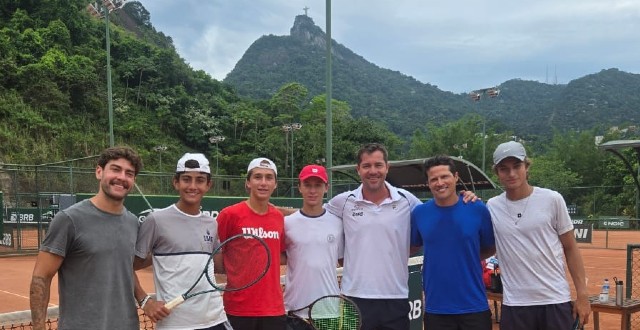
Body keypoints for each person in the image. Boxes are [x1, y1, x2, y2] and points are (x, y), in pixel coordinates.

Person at [324, 143, 477, 330]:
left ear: (387, 168)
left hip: (396, 297)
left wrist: (464, 198)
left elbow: (437, 212)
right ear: (358, 170)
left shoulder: (407, 200)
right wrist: (277, 211)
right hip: (354, 298)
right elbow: (312, 216)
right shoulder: (343, 201)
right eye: (366, 166)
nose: (373, 171)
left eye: (378, 165)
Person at [29, 146, 144, 330]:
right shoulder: (68, 220)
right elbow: (41, 277)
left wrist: (144, 299)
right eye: (115, 169)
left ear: (133, 180)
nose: (122, 177)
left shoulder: (133, 222)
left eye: (129, 173)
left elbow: (125, 268)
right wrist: (38, 328)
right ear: (99, 171)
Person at [487, 141, 591, 329]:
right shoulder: (492, 206)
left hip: (554, 300)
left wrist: (583, 296)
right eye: (504, 169)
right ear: (497, 173)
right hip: (515, 305)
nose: (511, 174)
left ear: (526, 167)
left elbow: (570, 247)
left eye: (517, 166)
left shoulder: (552, 199)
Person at [133, 153, 232, 330]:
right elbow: (128, 266)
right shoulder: (156, 220)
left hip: (215, 319)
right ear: (176, 182)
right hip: (175, 324)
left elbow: (219, 266)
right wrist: (145, 301)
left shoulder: (211, 223)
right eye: (186, 179)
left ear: (208, 185)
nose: (193, 186)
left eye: (200, 180)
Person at [410, 155, 495, 330]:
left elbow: (489, 248)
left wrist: (465, 255)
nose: (440, 183)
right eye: (434, 179)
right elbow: (412, 246)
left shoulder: (478, 209)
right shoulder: (419, 213)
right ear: (428, 183)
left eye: (444, 176)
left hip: (474, 307)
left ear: (456, 177)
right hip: (436, 309)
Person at [216, 157, 286, 330]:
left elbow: (280, 255)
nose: (263, 183)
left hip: (273, 309)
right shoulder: (229, 215)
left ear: (275, 184)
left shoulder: (278, 218)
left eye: (269, 178)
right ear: (248, 183)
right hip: (237, 309)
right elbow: (217, 255)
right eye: (257, 177)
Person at [282, 165, 344, 330]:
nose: (312, 190)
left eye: (318, 185)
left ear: (326, 188)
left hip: (328, 311)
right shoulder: (287, 223)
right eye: (308, 185)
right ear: (299, 187)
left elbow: (344, 261)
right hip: (295, 310)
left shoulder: (338, 223)